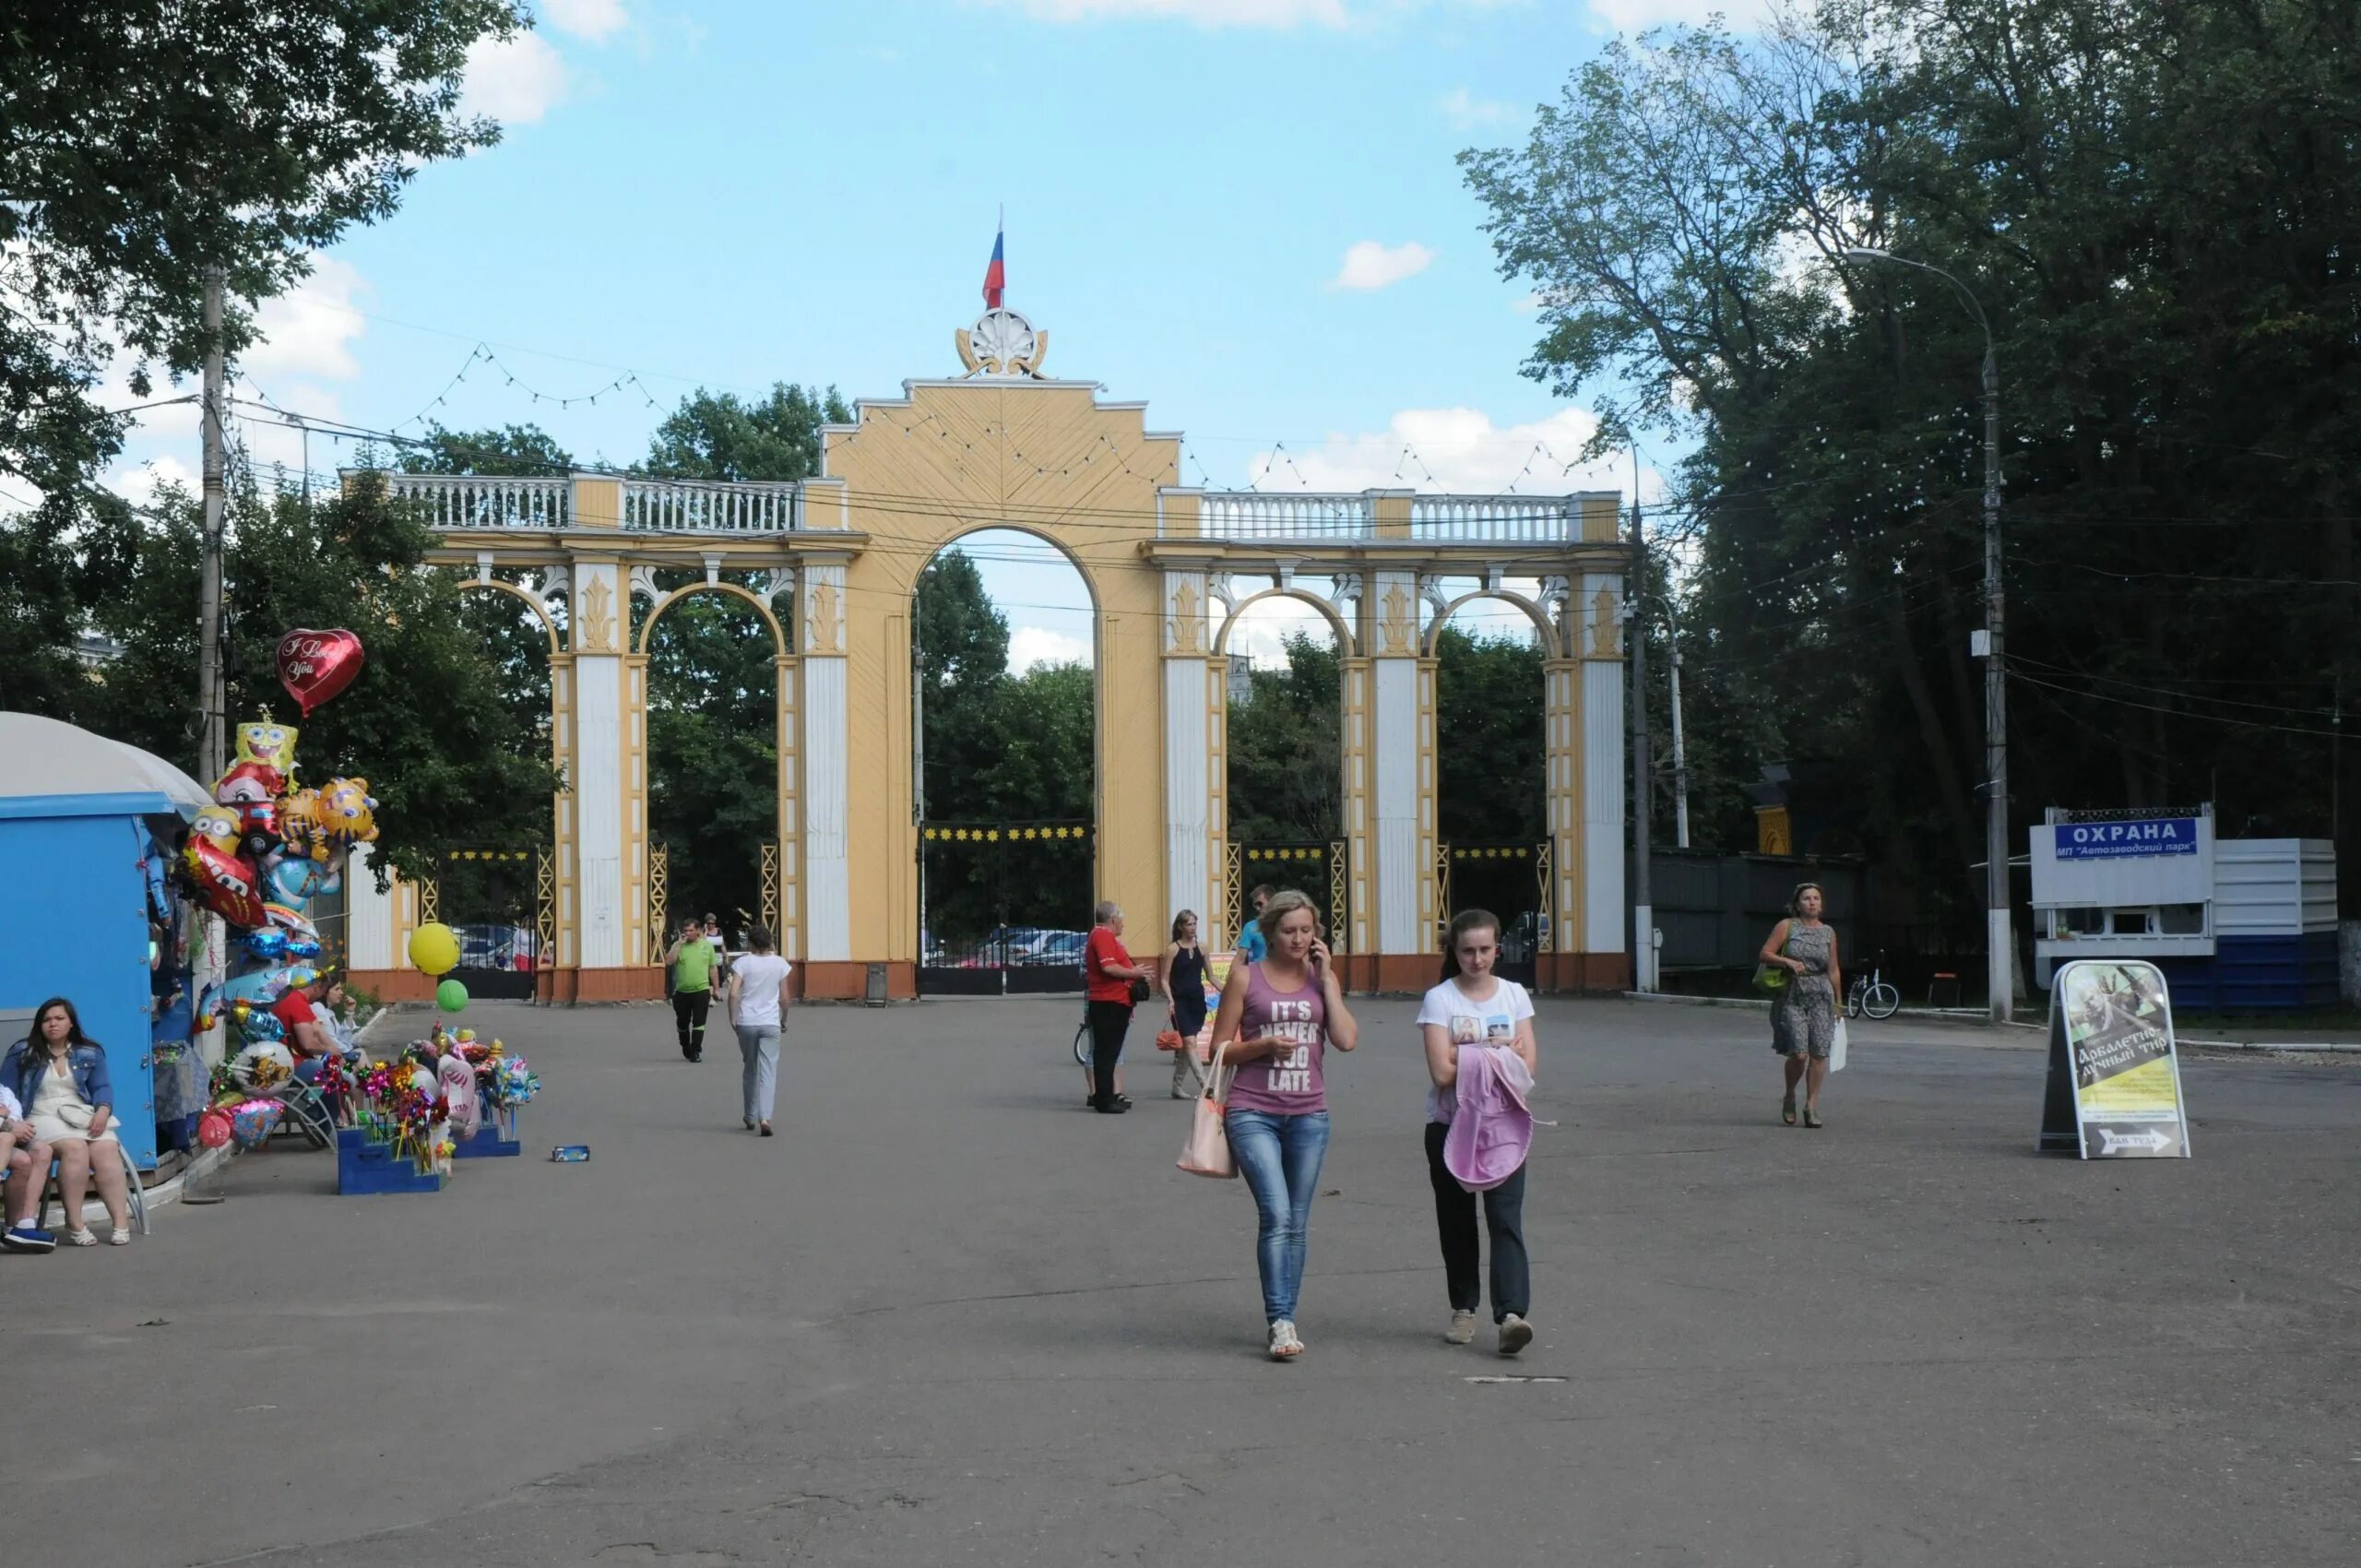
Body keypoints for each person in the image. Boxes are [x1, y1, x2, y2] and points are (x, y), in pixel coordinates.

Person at [1207, 889, 1358, 1360]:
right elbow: (1217, 1050)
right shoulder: (1245, 978)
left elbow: (1347, 1040)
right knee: (1276, 1214)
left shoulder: (1319, 979)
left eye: (1306, 930)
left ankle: (1286, 1316)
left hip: (1310, 1115)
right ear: (1269, 932)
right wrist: (1262, 1046)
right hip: (1253, 1111)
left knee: (1298, 1220)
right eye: (1289, 930)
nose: (1298, 938)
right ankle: (1280, 1321)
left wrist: (1329, 980)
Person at [1416, 909, 1539, 1356]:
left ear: (1497, 948)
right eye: (1467, 951)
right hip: (1450, 1128)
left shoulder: (1514, 995)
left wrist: (1467, 1051)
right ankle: (1463, 1309)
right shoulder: (1440, 1000)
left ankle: (1511, 1315)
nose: (1477, 959)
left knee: (1506, 1220)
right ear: (1455, 951)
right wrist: (1498, 1050)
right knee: (1457, 1222)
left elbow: (1528, 1069)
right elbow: (1441, 1073)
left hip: (1504, 1125)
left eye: (1485, 949)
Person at [0, 999, 133, 1246]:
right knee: (75, 1148)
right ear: (40, 1025)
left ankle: (120, 1221)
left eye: (59, 1018)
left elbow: (102, 1086)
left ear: (71, 1023)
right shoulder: (23, 1051)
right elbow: (4, 1090)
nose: (52, 1024)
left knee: (106, 1148)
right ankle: (75, 1221)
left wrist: (103, 1110)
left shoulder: (89, 1051)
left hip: (78, 1112)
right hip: (40, 1113)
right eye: (47, 1019)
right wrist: (9, 1122)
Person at [1760, 882, 1842, 1128]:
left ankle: (1811, 1106)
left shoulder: (1828, 932)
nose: (1812, 902)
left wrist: (1839, 1003)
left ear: (1821, 904)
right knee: (1799, 1053)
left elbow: (1834, 969)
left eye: (1816, 898)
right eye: (1806, 898)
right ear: (1798, 904)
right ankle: (1789, 1094)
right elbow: (1765, 953)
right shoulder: (1787, 926)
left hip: (1821, 996)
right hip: (1793, 994)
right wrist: (1787, 962)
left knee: (1819, 1053)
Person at [1082, 902, 1157, 1113]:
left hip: (1113, 1001)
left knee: (1109, 1052)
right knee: (1106, 1052)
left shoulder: (1102, 936)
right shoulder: (1103, 936)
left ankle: (1109, 1095)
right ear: (1113, 919)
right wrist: (1134, 973)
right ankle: (1104, 1100)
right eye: (1121, 919)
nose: (1123, 924)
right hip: (1109, 1002)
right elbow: (1108, 967)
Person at [725, 923, 793, 1136]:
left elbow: (734, 994)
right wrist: (784, 1019)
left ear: (750, 942)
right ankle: (765, 1117)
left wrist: (733, 1018)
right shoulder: (780, 963)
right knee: (769, 1071)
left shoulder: (743, 963)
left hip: (747, 1022)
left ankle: (749, 1115)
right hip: (770, 1022)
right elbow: (785, 997)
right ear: (770, 942)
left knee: (750, 1069)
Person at [1158, 909, 1211, 1100]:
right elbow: (1164, 979)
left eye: (1194, 924)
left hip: (1197, 1001)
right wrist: (1170, 999)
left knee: (1186, 1046)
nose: (1192, 928)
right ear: (1180, 926)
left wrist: (1229, 991)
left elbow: (1211, 976)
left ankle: (1177, 1087)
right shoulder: (1173, 949)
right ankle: (1206, 1086)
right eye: (1189, 924)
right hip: (1179, 1002)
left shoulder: (1203, 948)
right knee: (1189, 1042)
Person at [0, 1080, 57, 1253]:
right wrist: (5, 1123)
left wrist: (10, 1121)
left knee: (41, 1152)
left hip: (5, 1135)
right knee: (9, 1142)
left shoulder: (3, 1090)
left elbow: (14, 1107)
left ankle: (20, 1226)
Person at [665, 917, 717, 1062]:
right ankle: (685, 1045)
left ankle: (695, 1050)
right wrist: (679, 945)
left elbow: (713, 968)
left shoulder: (707, 946)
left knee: (699, 1022)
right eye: (685, 930)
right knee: (682, 1022)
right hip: (682, 992)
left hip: (701, 990)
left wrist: (716, 988)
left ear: (698, 931)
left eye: (691, 930)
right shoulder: (678, 944)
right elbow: (669, 961)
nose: (687, 933)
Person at [271, 968, 339, 1060]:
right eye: (323, 991)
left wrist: (336, 1052)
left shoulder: (297, 998)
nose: (322, 995)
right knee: (336, 1073)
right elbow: (308, 1044)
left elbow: (319, 1031)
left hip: (288, 1056)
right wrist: (330, 1051)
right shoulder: (297, 1002)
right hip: (291, 1060)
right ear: (317, 987)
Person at [1232, 884, 1275, 966]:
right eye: (1255, 905)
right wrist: (1232, 977)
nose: (1257, 908)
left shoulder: (1284, 924)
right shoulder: (1250, 927)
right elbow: (1241, 957)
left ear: (1272, 902)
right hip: (1259, 974)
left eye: (1260, 904)